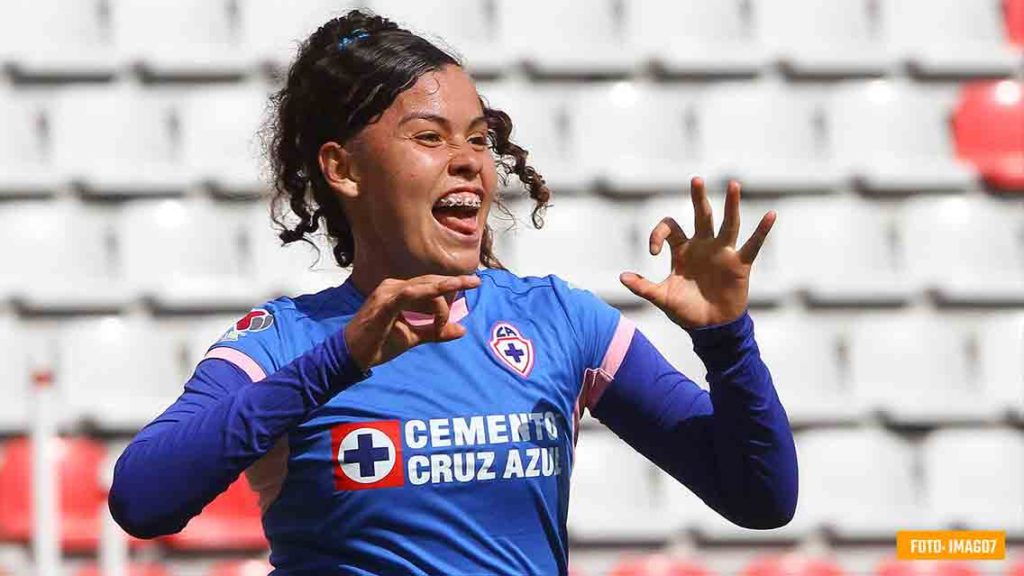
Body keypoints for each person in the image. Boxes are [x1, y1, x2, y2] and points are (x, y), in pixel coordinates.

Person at [108, 9, 797, 575]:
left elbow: (759, 498)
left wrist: (725, 339)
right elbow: (142, 499)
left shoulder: (561, 321)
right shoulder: (287, 342)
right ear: (343, 169)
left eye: (478, 137)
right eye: (429, 137)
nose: (468, 159)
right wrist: (340, 359)